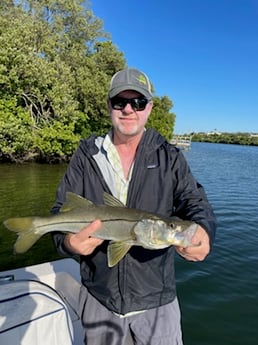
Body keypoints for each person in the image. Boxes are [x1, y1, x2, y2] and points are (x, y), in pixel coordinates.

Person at [52, 67, 216, 345]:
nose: (129, 109)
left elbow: (194, 201)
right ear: (109, 106)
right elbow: (60, 213)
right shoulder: (86, 156)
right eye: (120, 102)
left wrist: (203, 231)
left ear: (149, 108)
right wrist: (69, 244)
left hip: (157, 302)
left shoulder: (170, 157)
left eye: (138, 102)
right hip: (99, 298)